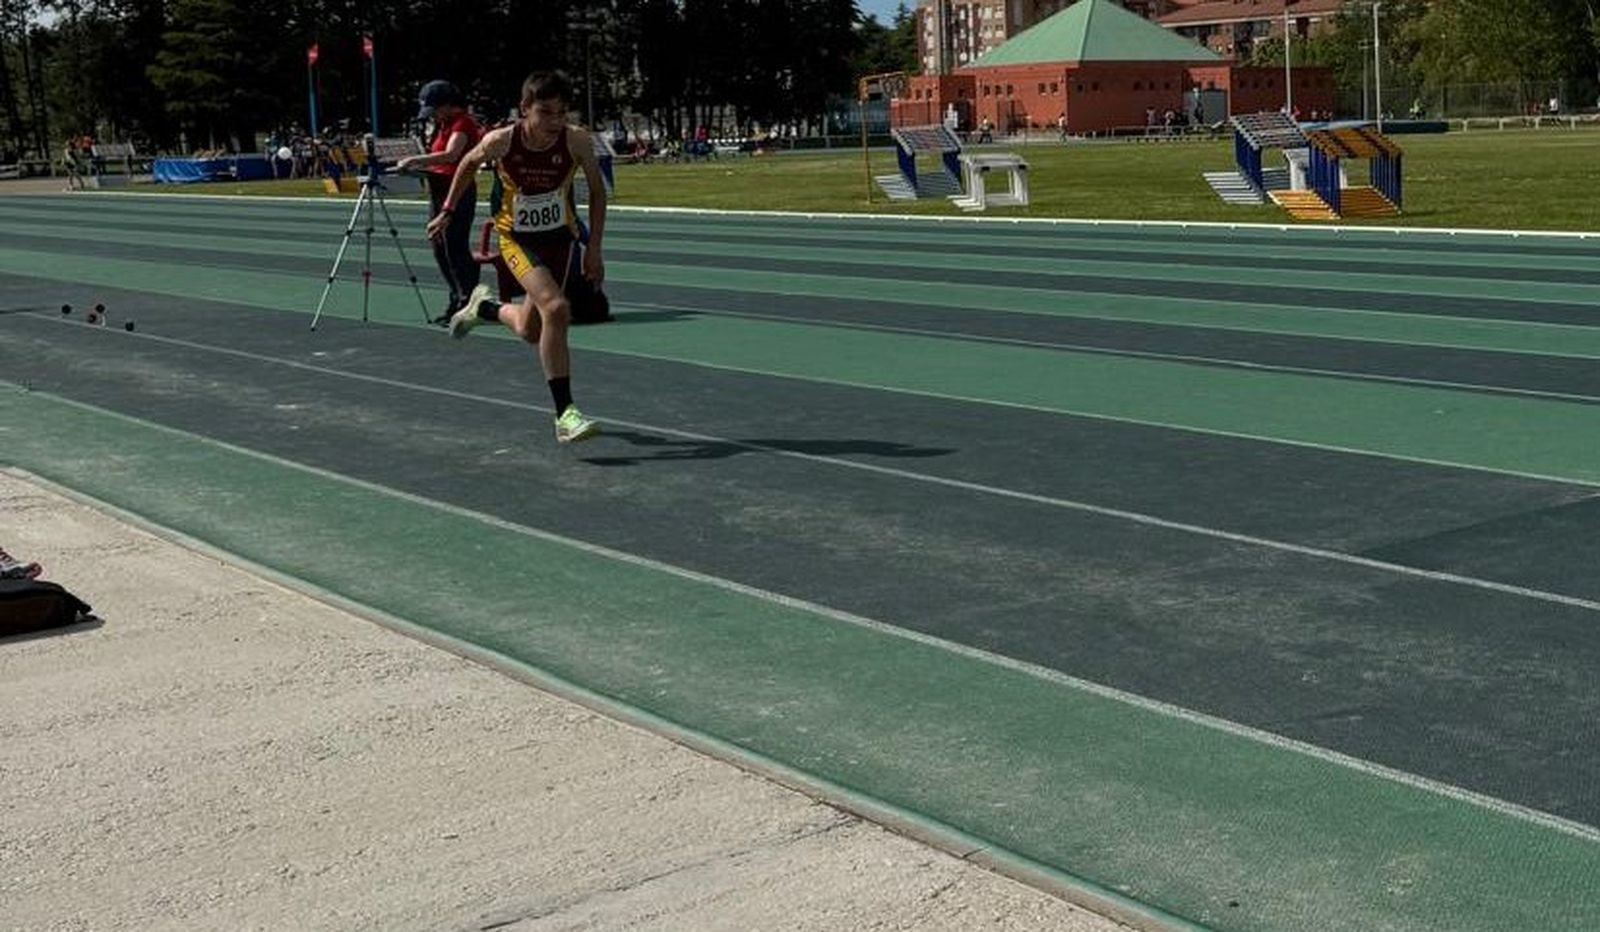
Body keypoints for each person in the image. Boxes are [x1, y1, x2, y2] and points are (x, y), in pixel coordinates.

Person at [427, 70, 604, 444]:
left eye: (562, 113)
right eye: (545, 112)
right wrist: (447, 210)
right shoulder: (502, 141)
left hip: (560, 239)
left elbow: (597, 192)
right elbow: (467, 164)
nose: (555, 121)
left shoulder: (577, 141)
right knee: (556, 308)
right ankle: (565, 414)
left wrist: (594, 249)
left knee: (530, 329)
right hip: (517, 239)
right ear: (525, 108)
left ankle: (485, 308)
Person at [398, 80, 484, 325]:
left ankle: (468, 301)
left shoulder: (463, 123)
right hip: (438, 189)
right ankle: (457, 297)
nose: (432, 115)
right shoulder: (443, 124)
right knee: (439, 246)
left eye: (435, 109)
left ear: (448, 105)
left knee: (454, 246)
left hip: (458, 190)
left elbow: (452, 155)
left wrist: (415, 160)